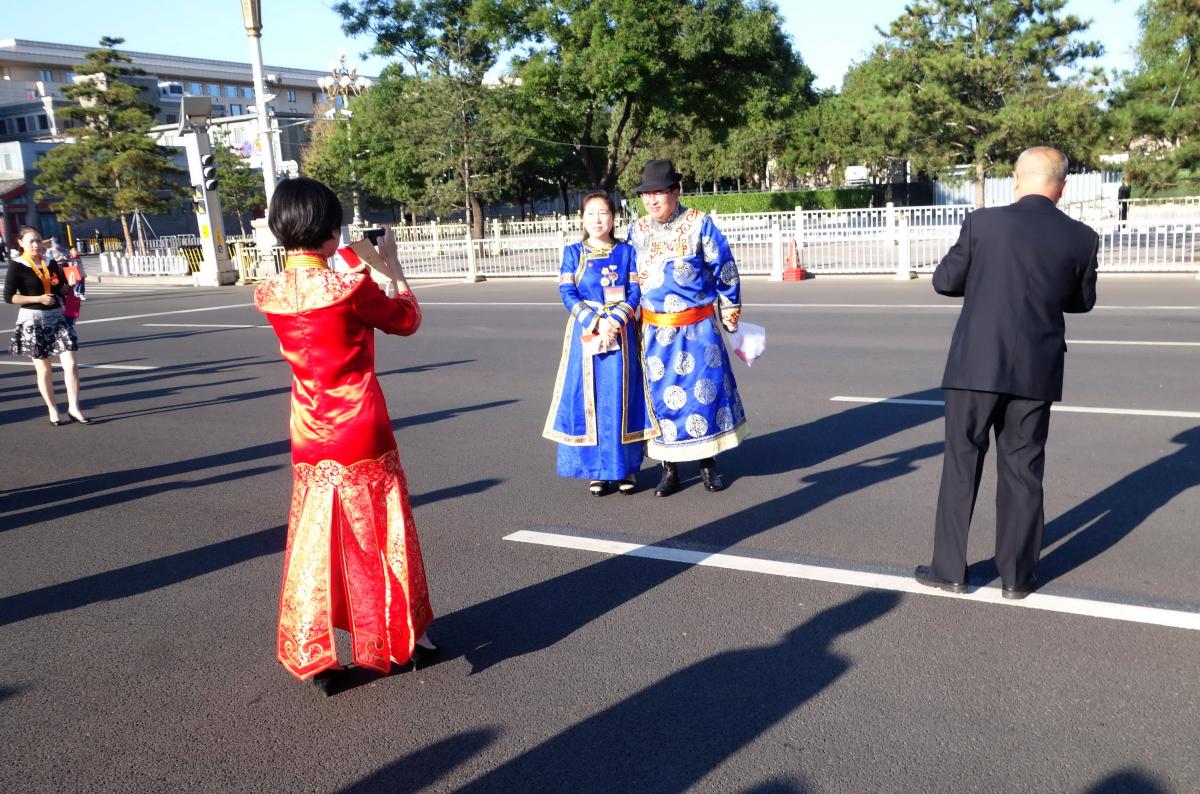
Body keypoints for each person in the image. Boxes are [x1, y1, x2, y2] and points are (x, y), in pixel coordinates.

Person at [253, 177, 436, 693]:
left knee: (315, 537)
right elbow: (407, 319)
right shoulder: (349, 288)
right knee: (379, 531)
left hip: (308, 426)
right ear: (331, 230)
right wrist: (391, 265)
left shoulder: (268, 293)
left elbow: (320, 283)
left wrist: (352, 260)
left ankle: (314, 650)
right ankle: (400, 639)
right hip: (359, 423)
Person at [915, 146, 1099, 600]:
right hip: (1036, 368)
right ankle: (1017, 577)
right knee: (1023, 469)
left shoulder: (983, 224)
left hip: (975, 365)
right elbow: (1082, 301)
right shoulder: (1081, 237)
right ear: (1063, 187)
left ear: (1016, 179)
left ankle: (950, 570)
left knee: (962, 464)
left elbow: (944, 281)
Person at [627, 159, 748, 497]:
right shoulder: (637, 230)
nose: (652, 200)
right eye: (646, 194)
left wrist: (730, 308)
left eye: (658, 193)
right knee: (661, 402)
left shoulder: (699, 224)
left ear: (676, 191)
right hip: (654, 333)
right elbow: (630, 277)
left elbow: (724, 267)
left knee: (703, 397)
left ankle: (708, 463)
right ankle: (669, 469)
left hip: (698, 331)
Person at [543, 190, 658, 495]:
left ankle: (625, 469)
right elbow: (567, 293)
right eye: (591, 213)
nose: (597, 219)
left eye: (603, 213)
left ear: (613, 217)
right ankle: (597, 471)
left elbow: (634, 292)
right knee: (589, 399)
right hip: (587, 334)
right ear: (582, 218)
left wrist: (615, 321)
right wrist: (596, 322)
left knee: (620, 397)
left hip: (621, 335)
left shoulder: (627, 251)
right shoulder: (573, 253)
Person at [4, 225, 90, 425]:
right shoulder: (17, 266)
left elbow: (59, 289)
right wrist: (38, 298)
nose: (36, 244)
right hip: (33, 319)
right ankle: (52, 409)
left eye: (38, 240)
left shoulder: (49, 262)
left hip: (57, 317)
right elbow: (9, 296)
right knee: (44, 369)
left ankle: (74, 407)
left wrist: (70, 283)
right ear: (21, 243)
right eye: (31, 241)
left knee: (71, 363)